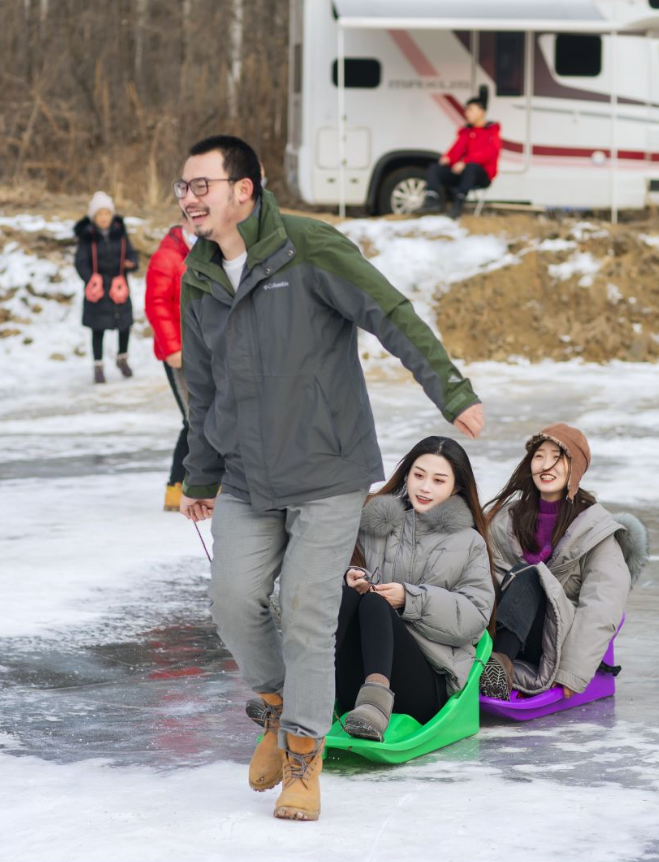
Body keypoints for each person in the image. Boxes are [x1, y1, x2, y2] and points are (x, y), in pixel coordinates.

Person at [174, 134, 486, 822]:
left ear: (243, 190)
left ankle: (304, 760)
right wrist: (199, 475)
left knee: (308, 617)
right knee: (233, 603)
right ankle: (279, 710)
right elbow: (201, 387)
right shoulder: (196, 275)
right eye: (183, 187)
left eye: (202, 185)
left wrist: (452, 391)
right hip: (246, 477)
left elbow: (390, 313)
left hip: (327, 471)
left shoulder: (309, 250)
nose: (189, 199)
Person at [336, 436, 493, 740]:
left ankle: (376, 702)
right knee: (348, 595)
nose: (424, 487)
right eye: (418, 475)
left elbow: (475, 618)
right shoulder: (375, 524)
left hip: (424, 684)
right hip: (355, 677)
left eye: (438, 480)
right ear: (406, 474)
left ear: (456, 487)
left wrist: (411, 600)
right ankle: (296, 691)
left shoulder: (469, 542)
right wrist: (349, 575)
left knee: (375, 604)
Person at [480, 424, 649, 701]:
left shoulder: (596, 532)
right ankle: (489, 665)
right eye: (539, 456)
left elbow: (601, 605)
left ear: (576, 467)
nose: (546, 465)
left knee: (532, 575)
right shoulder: (504, 521)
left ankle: (498, 665)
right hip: (499, 629)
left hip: (555, 641)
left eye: (557, 456)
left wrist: (572, 672)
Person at [144, 218, 197, 511]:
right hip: (178, 352)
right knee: (193, 420)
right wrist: (173, 347)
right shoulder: (167, 256)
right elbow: (157, 304)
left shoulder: (204, 251)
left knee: (207, 418)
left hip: (203, 351)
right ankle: (176, 488)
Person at [74, 191, 139, 384]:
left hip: (119, 287)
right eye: (100, 214)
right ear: (93, 217)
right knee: (98, 328)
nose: (104, 218)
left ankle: (122, 358)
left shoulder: (120, 233)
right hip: (98, 289)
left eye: (107, 214)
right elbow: (80, 262)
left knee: (125, 324)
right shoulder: (87, 237)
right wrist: (90, 279)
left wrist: (131, 264)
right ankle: (98, 365)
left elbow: (132, 254)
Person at [420, 96, 502, 218]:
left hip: (481, 175)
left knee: (471, 167)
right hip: (463, 172)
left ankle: (458, 204)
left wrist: (465, 162)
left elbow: (489, 153)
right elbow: (455, 150)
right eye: (466, 110)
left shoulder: (491, 131)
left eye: (470, 110)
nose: (466, 113)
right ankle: (432, 199)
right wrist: (447, 158)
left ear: (481, 111)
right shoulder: (466, 132)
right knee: (434, 168)